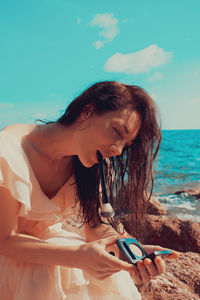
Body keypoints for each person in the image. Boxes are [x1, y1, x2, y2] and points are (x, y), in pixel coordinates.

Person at [0, 81, 179, 300]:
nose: (117, 149)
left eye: (126, 144)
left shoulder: (91, 164)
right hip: (9, 257)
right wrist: (76, 255)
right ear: (87, 111)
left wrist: (131, 251)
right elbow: (5, 241)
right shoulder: (8, 150)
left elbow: (96, 227)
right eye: (116, 131)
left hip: (54, 251)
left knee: (107, 276)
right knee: (44, 275)